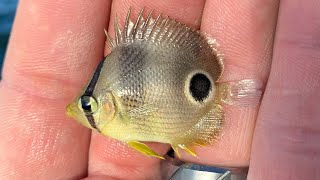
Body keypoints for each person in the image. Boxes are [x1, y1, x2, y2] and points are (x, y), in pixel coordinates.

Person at [0, 0, 318, 179]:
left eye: (89, 105)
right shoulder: (113, 106)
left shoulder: (114, 119)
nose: (80, 110)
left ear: (105, 104)